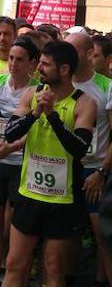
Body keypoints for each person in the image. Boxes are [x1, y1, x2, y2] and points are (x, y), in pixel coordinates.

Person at [2, 41, 96, 287]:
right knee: (14, 263)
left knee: (54, 269)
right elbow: (10, 134)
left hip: (62, 200)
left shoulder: (85, 103)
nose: (39, 68)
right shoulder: (32, 94)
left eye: (45, 64)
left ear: (64, 70)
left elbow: (79, 148)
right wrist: (35, 114)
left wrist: (52, 116)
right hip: (29, 193)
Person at [0, 37, 40, 287]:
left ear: (32, 63)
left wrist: (11, 147)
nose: (13, 63)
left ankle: (15, 273)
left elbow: (33, 129)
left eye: (20, 59)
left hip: (20, 163)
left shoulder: (37, 89)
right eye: (11, 58)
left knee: (15, 226)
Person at [66, 32, 112, 285]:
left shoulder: (106, 87)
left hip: (95, 171)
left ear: (88, 54)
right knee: (67, 234)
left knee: (103, 236)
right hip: (65, 169)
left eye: (73, 51)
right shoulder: (61, 83)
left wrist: (102, 172)